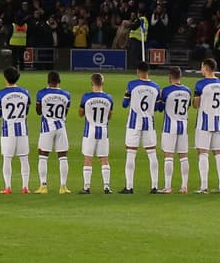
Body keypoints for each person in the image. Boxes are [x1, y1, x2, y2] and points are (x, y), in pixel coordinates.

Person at [121, 62, 161, 194]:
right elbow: (158, 107)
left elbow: (124, 104)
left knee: (131, 153)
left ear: (138, 71)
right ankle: (154, 186)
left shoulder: (131, 85)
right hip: (149, 123)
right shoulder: (156, 87)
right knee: (152, 153)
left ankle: (129, 186)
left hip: (134, 123)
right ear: (148, 71)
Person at [194, 58, 220, 194]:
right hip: (218, 122)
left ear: (206, 67)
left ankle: (204, 186)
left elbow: (196, 104)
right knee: (218, 153)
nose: (201, 69)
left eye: (202, 67)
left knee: (203, 152)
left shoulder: (200, 84)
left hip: (204, 123)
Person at [0, 65, 31, 195]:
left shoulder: (0, 94)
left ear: (5, 78)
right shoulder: (25, 92)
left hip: (7, 131)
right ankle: (25, 187)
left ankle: (8, 187)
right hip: (22, 130)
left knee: (7, 159)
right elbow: (26, 110)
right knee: (24, 159)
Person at [34, 70, 72, 194]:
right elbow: (65, 112)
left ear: (48, 81)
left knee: (43, 155)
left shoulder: (41, 93)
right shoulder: (66, 94)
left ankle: (43, 186)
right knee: (63, 156)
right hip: (61, 127)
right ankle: (63, 187)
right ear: (59, 81)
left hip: (47, 128)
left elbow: (38, 112)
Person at [157, 65, 192, 194]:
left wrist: (160, 98)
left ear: (169, 77)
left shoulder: (166, 91)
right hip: (183, 126)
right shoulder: (188, 91)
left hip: (169, 126)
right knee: (183, 156)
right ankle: (184, 186)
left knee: (169, 156)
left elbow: (160, 108)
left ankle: (168, 186)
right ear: (180, 76)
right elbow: (187, 106)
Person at [79, 72, 113, 194]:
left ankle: (87, 187)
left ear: (92, 82)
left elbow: (80, 113)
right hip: (103, 130)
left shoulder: (86, 97)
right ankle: (106, 186)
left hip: (90, 131)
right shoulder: (109, 98)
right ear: (102, 83)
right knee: (104, 158)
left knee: (88, 158)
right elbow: (109, 116)